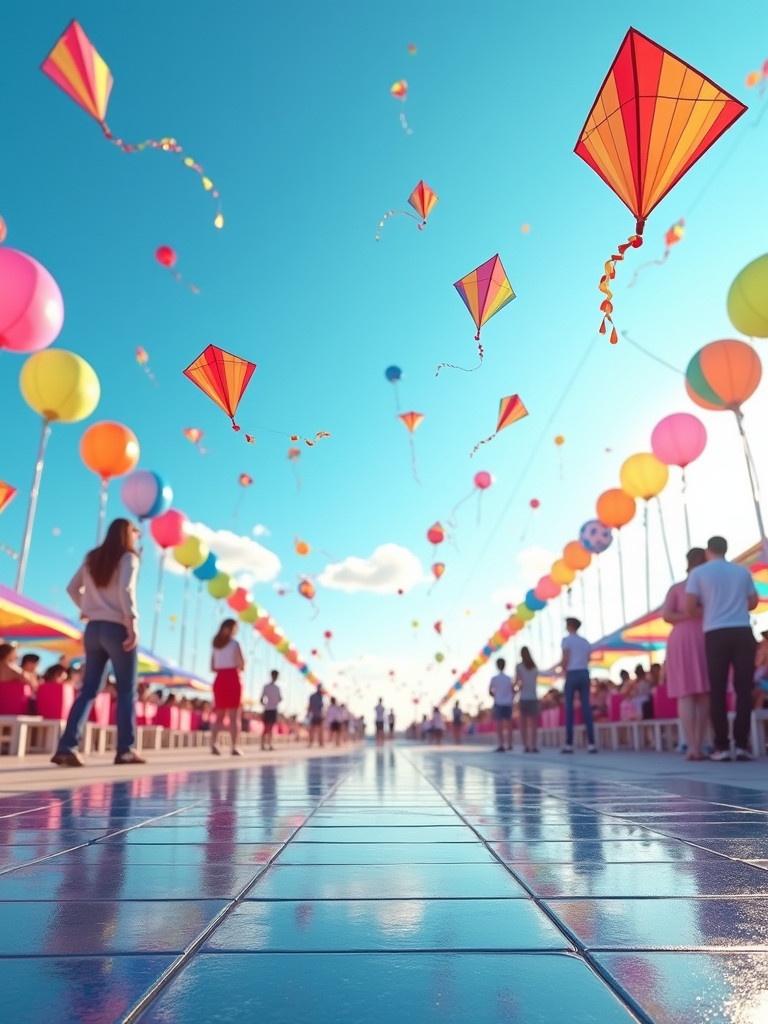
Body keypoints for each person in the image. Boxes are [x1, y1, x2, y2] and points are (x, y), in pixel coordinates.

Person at [52, 518, 144, 767]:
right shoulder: (128, 558)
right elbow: (126, 590)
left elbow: (72, 588)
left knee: (89, 689)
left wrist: (88, 608)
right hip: (117, 628)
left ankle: (66, 747)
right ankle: (125, 750)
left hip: (93, 629)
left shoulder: (93, 557)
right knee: (126, 691)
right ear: (128, 533)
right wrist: (132, 623)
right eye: (136, 532)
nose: (138, 536)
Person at [685, 535, 758, 761]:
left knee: (717, 689)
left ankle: (722, 746)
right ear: (726, 549)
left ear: (708, 551)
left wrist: (711, 612)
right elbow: (753, 602)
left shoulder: (699, 573)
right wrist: (735, 607)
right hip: (742, 630)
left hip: (716, 633)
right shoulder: (742, 571)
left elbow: (689, 607)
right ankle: (743, 745)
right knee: (743, 689)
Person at [662, 547, 710, 760]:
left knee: (693, 692)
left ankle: (694, 744)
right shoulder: (701, 586)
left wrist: (688, 614)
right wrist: (693, 614)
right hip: (696, 636)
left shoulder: (680, 587)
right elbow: (667, 615)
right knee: (697, 691)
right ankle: (695, 744)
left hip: (691, 637)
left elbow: (668, 615)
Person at [560, 617, 597, 754]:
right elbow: (588, 659)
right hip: (584, 673)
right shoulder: (585, 642)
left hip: (572, 673)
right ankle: (591, 743)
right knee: (586, 708)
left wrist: (564, 670)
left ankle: (569, 743)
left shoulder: (567, 640)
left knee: (569, 708)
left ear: (570, 625)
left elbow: (565, 658)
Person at [210, 618, 245, 756]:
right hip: (232, 678)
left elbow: (212, 666)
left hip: (219, 678)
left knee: (219, 715)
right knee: (234, 716)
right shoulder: (235, 643)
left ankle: (214, 743)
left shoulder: (215, 644)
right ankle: (234, 746)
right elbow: (242, 664)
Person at [515, 646, 540, 753]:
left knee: (523, 724)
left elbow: (518, 682)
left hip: (524, 697)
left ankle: (526, 746)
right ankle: (534, 745)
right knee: (534, 724)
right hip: (533, 697)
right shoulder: (534, 667)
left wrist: (514, 690)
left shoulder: (519, 667)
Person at [489, 657, 513, 751]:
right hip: (508, 703)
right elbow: (513, 690)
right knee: (509, 724)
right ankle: (510, 744)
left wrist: (495, 695)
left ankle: (501, 744)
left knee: (499, 725)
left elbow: (490, 691)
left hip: (498, 702)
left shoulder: (494, 678)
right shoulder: (509, 678)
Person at [261, 670, 282, 751]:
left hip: (270, 709)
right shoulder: (275, 687)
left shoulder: (271, 687)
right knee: (267, 728)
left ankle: (267, 744)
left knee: (269, 728)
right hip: (271, 709)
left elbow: (261, 699)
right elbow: (280, 699)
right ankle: (265, 744)